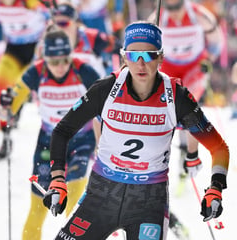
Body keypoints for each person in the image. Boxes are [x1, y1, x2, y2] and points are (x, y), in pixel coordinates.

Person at [42, 21, 229, 240]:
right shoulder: (105, 90)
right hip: (102, 193)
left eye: (149, 55)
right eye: (133, 55)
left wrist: (216, 187)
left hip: (148, 200)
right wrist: (57, 179)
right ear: (124, 57)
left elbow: (218, 147)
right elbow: (63, 130)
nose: (141, 64)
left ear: (161, 57)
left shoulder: (176, 98)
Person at [0, 28, 100, 240]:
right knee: (38, 206)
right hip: (49, 141)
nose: (61, 67)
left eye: (65, 60)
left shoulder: (84, 72)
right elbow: (8, 111)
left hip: (82, 139)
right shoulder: (35, 73)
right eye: (54, 62)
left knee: (73, 196)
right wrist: (6, 103)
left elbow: (106, 106)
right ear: (45, 60)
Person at [149, 0, 224, 185]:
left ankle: (189, 152)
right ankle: (172, 148)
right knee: (168, 105)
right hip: (169, 65)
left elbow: (217, 40)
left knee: (188, 101)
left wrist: (209, 59)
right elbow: (147, 42)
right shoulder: (158, 17)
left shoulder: (199, 15)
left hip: (194, 66)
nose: (174, 13)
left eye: (177, 8)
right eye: (169, 8)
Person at [0, 0, 49, 159]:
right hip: (13, 50)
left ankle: (52, 139)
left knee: (34, 90)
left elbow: (52, 19)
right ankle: (5, 136)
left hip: (36, 50)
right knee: (2, 88)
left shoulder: (29, 2)